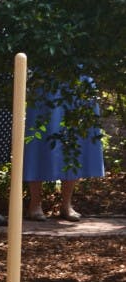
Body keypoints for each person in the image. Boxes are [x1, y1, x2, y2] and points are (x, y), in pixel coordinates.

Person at [24, 81, 104, 221]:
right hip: (46, 78)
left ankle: (66, 205)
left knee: (75, 137)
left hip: (80, 80)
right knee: (39, 140)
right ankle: (35, 205)